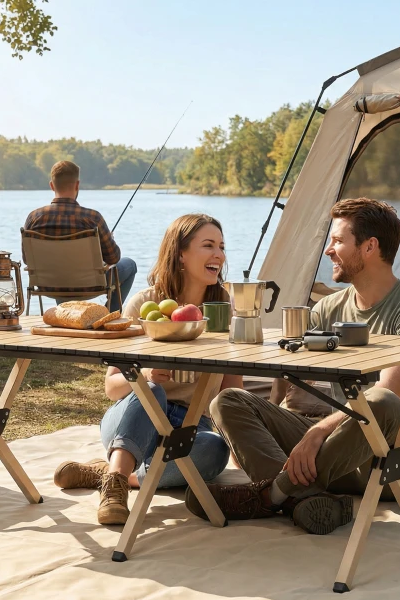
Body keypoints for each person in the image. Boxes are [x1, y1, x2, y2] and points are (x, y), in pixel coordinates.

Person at [185, 198, 400, 536]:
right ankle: (308, 501)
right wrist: (262, 434)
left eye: (338, 241)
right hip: (339, 454)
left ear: (369, 247)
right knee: (228, 400)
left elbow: (388, 392)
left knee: (382, 403)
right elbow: (290, 374)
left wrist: (318, 431)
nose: (328, 251)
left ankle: (272, 494)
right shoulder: (328, 309)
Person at [53, 213, 243, 526]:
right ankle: (115, 488)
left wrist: (241, 451)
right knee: (152, 391)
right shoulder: (144, 305)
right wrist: (144, 378)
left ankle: (113, 473)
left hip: (191, 428)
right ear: (180, 253)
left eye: (221, 247)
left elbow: (231, 391)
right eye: (208, 245)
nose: (219, 255)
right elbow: (112, 387)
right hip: (134, 417)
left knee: (214, 450)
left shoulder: (223, 309)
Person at [24, 160, 136, 313]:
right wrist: (108, 240)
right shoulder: (93, 218)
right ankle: (108, 314)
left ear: (51, 185)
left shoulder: (34, 218)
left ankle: (66, 313)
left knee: (60, 269)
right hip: (89, 285)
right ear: (77, 185)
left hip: (48, 285)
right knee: (130, 265)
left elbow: (27, 259)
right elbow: (114, 258)